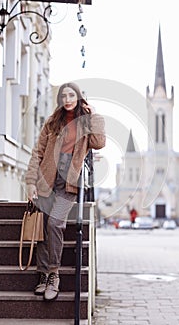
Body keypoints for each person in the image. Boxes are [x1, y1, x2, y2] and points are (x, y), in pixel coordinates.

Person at [25, 82, 106, 301]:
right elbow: (37, 153)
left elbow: (99, 143)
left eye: (72, 95)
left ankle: (54, 274)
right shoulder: (52, 122)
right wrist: (31, 182)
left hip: (68, 184)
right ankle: (42, 275)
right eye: (64, 96)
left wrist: (94, 115)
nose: (67, 99)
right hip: (46, 182)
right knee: (42, 228)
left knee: (55, 224)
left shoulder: (87, 123)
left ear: (79, 97)